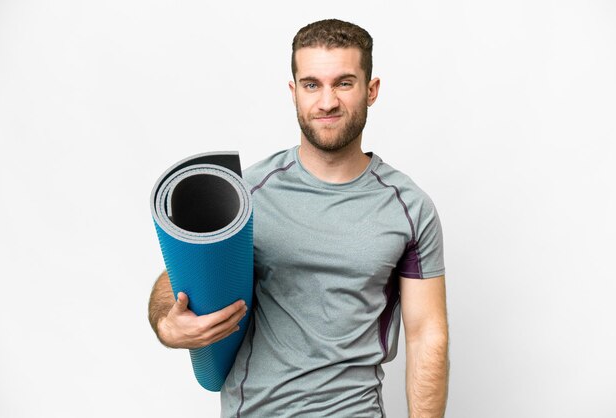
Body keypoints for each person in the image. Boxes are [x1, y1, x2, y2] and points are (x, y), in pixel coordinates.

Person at [148, 18, 449, 418]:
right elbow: (178, 283)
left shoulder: (409, 207)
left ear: (371, 91)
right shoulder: (247, 193)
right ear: (294, 92)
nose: (326, 102)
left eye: (344, 83)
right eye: (312, 84)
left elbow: (427, 335)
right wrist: (168, 327)